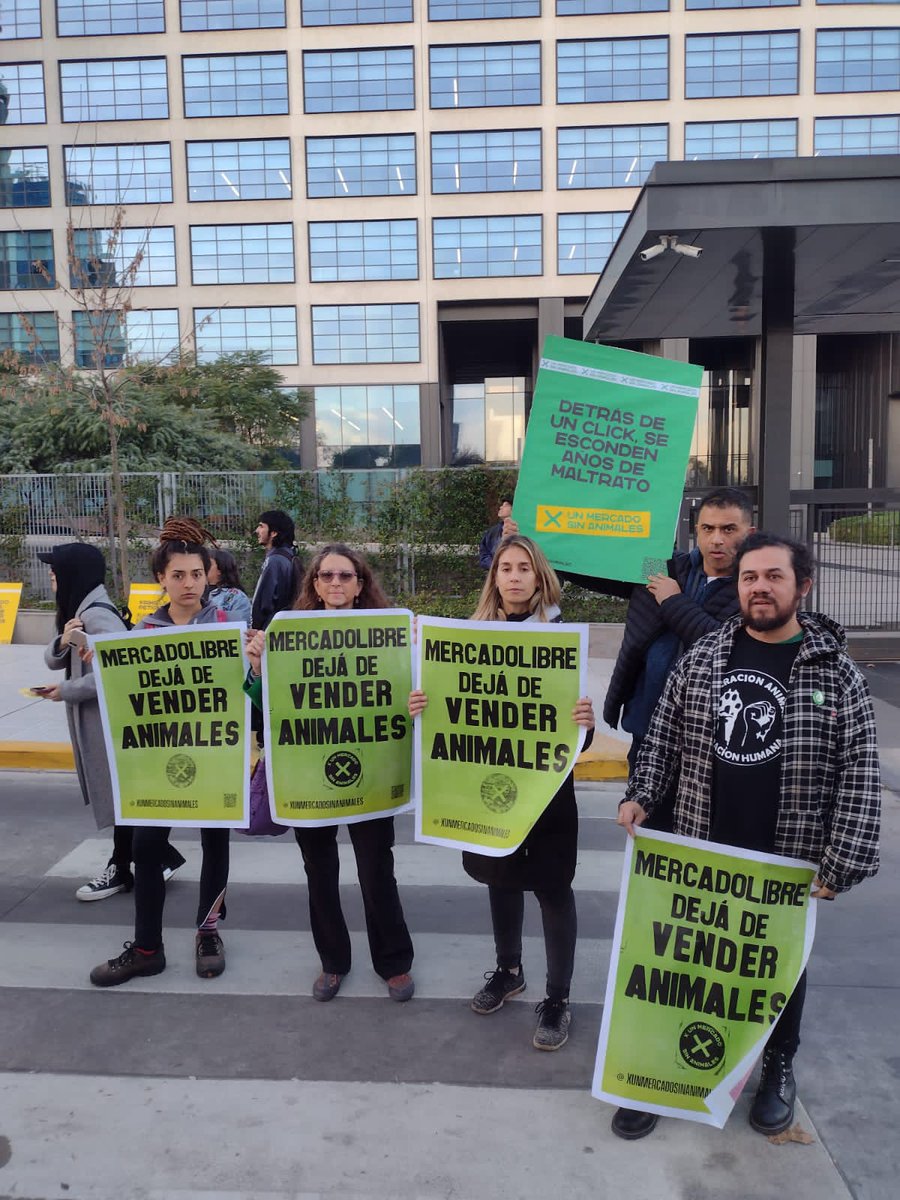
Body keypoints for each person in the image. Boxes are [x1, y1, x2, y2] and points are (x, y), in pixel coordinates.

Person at [614, 530, 881, 1140]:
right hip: (703, 843)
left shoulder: (838, 674)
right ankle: (660, 1073)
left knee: (778, 968)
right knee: (688, 961)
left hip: (785, 857)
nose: (760, 587)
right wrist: (641, 794)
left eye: (773, 576)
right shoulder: (705, 656)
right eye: (750, 577)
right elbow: (664, 736)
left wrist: (841, 862)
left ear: (802, 586)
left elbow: (860, 773)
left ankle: (777, 1066)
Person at [409, 534, 596, 1051]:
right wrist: (422, 706)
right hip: (487, 790)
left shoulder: (561, 639)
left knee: (553, 890)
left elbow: (577, 740)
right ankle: (508, 971)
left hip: (547, 792)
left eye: (523, 568)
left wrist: (586, 724)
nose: (514, 576)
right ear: (494, 577)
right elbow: (452, 713)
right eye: (505, 567)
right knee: (500, 877)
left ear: (539, 577)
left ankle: (557, 998)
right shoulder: (468, 638)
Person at [245, 543, 415, 1003]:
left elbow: (408, 693)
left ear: (360, 585)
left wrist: (417, 663)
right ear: (314, 585)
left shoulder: (389, 634)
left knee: (376, 871)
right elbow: (266, 705)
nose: (335, 583)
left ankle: (394, 962)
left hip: (373, 773)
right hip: (306, 773)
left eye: (345, 576)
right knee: (319, 872)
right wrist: (258, 669)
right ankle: (333, 962)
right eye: (326, 576)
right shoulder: (287, 635)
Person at [90, 518, 233, 987]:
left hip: (214, 755)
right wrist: (101, 663)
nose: (189, 583)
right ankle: (147, 948)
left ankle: (208, 933)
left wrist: (254, 666)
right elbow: (126, 695)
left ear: (208, 575)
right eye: (178, 575)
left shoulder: (229, 628)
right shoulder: (144, 630)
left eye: (197, 574)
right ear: (161, 579)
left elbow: (250, 693)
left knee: (215, 844)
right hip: (159, 759)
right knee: (145, 846)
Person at [38, 542, 184, 901]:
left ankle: (126, 867)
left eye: (56, 570)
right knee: (123, 802)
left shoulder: (98, 616)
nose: (52, 576)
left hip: (109, 726)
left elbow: (118, 673)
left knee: (123, 801)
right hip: (99, 723)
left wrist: (66, 691)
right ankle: (151, 859)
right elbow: (53, 659)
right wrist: (63, 639)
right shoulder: (82, 611)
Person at [603, 486, 754, 830]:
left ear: (750, 532)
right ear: (696, 530)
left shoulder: (752, 587)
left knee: (700, 836)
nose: (717, 539)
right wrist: (538, 543)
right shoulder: (666, 565)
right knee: (648, 832)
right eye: (708, 528)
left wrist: (672, 601)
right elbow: (600, 571)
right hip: (648, 732)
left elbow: (722, 647)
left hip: (708, 740)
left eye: (729, 529)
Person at [251, 510, 303, 630]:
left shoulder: (274, 561)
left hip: (271, 630)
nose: (257, 531)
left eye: (261, 526)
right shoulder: (289, 556)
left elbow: (265, 604)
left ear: (273, 533)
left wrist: (257, 629)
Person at [207, 547, 252, 626]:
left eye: (208, 564)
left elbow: (240, 628)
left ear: (220, 569)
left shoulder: (236, 597)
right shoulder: (195, 593)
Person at [478, 497, 514, 570]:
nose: (501, 507)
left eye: (506, 505)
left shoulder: (524, 530)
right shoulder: (491, 532)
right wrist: (496, 566)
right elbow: (484, 554)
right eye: (502, 505)